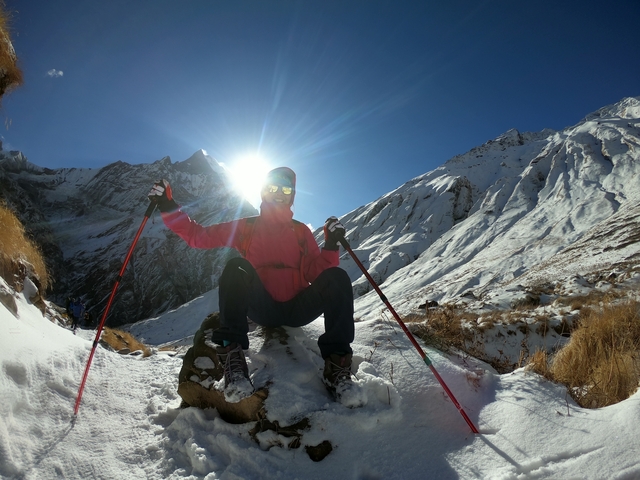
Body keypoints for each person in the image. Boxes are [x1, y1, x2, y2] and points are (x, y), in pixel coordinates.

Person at [148, 167, 364, 406]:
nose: (279, 193)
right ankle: (234, 363)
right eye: (272, 187)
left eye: (285, 189)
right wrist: (168, 207)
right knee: (236, 267)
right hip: (263, 308)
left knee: (337, 277)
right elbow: (198, 236)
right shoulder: (247, 226)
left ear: (292, 195)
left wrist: (331, 245)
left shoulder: (301, 231)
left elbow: (317, 272)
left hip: (298, 308)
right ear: (263, 191)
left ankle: (337, 368)